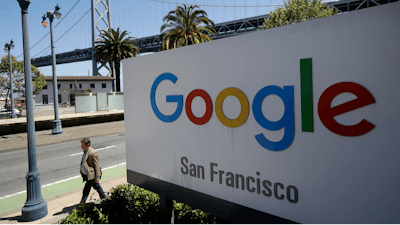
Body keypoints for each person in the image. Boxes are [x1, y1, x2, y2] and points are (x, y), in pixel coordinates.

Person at [79, 137, 106, 204]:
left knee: (86, 190)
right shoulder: (85, 152)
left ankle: (82, 204)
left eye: (83, 145)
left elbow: (97, 165)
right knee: (97, 187)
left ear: (87, 144)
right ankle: (105, 199)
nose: (81, 147)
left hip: (92, 175)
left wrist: (98, 176)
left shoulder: (93, 152)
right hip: (88, 175)